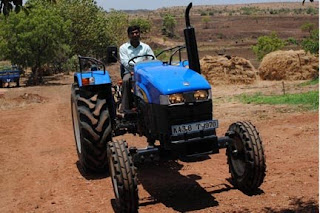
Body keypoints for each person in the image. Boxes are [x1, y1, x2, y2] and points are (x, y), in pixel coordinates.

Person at [119, 25, 155, 113]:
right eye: (132, 33)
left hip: (145, 72)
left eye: (136, 33)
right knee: (126, 81)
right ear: (128, 35)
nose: (135, 35)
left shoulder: (146, 47)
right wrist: (135, 70)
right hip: (130, 72)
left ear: (139, 34)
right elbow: (126, 63)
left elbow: (153, 60)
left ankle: (154, 104)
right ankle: (126, 108)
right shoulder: (123, 48)